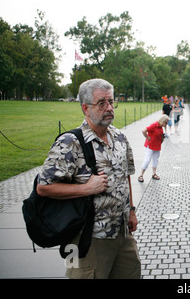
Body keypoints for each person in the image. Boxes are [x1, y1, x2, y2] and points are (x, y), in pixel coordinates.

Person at [36, 78, 141, 279]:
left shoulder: (120, 137)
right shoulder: (70, 142)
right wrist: (86, 188)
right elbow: (44, 187)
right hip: (87, 239)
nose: (109, 107)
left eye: (111, 101)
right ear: (85, 108)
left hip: (122, 234)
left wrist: (132, 212)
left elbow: (126, 175)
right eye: (101, 103)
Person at [138, 114, 169, 182]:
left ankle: (154, 174)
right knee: (147, 160)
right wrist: (147, 137)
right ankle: (141, 175)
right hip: (150, 146)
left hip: (157, 146)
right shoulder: (154, 125)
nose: (166, 124)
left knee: (155, 160)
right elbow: (143, 130)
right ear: (163, 121)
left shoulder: (161, 127)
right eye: (166, 122)